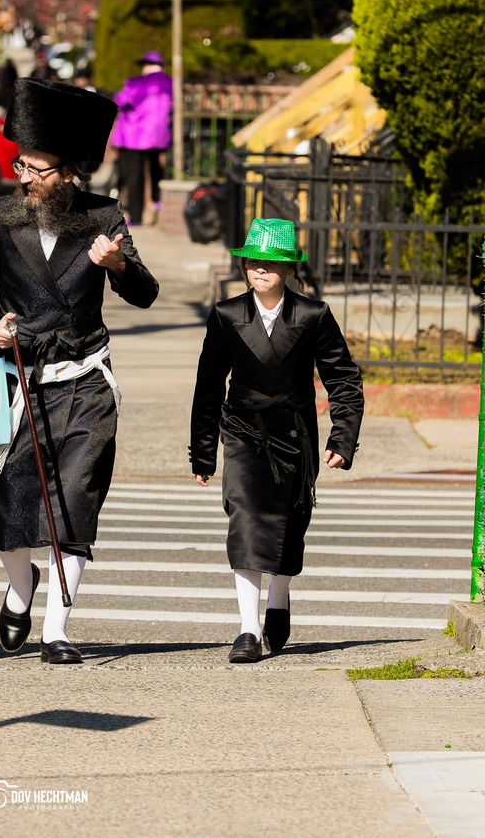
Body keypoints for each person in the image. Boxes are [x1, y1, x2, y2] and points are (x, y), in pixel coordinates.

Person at [0, 78, 159, 665]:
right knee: (11, 502)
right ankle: (20, 588)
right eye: (21, 164)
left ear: (70, 172)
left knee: (76, 501)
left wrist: (119, 262)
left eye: (39, 169)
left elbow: (146, 293)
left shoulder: (105, 218)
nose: (25, 177)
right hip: (21, 379)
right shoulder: (1, 218)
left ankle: (57, 630)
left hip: (85, 383)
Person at [189, 218, 363, 663]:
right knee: (244, 516)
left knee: (290, 520)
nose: (260, 270)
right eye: (253, 261)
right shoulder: (227, 315)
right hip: (243, 430)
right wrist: (203, 451)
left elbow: (343, 380)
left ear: (288, 269)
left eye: (271, 263)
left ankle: (279, 596)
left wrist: (343, 438)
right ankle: (247, 630)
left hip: (295, 434)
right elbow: (208, 384)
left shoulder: (313, 315)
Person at [110, 50, 173, 226]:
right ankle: (157, 200)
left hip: (134, 136)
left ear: (147, 65)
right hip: (159, 135)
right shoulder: (170, 83)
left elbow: (120, 100)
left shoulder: (135, 83)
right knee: (156, 169)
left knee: (134, 176)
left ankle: (136, 217)